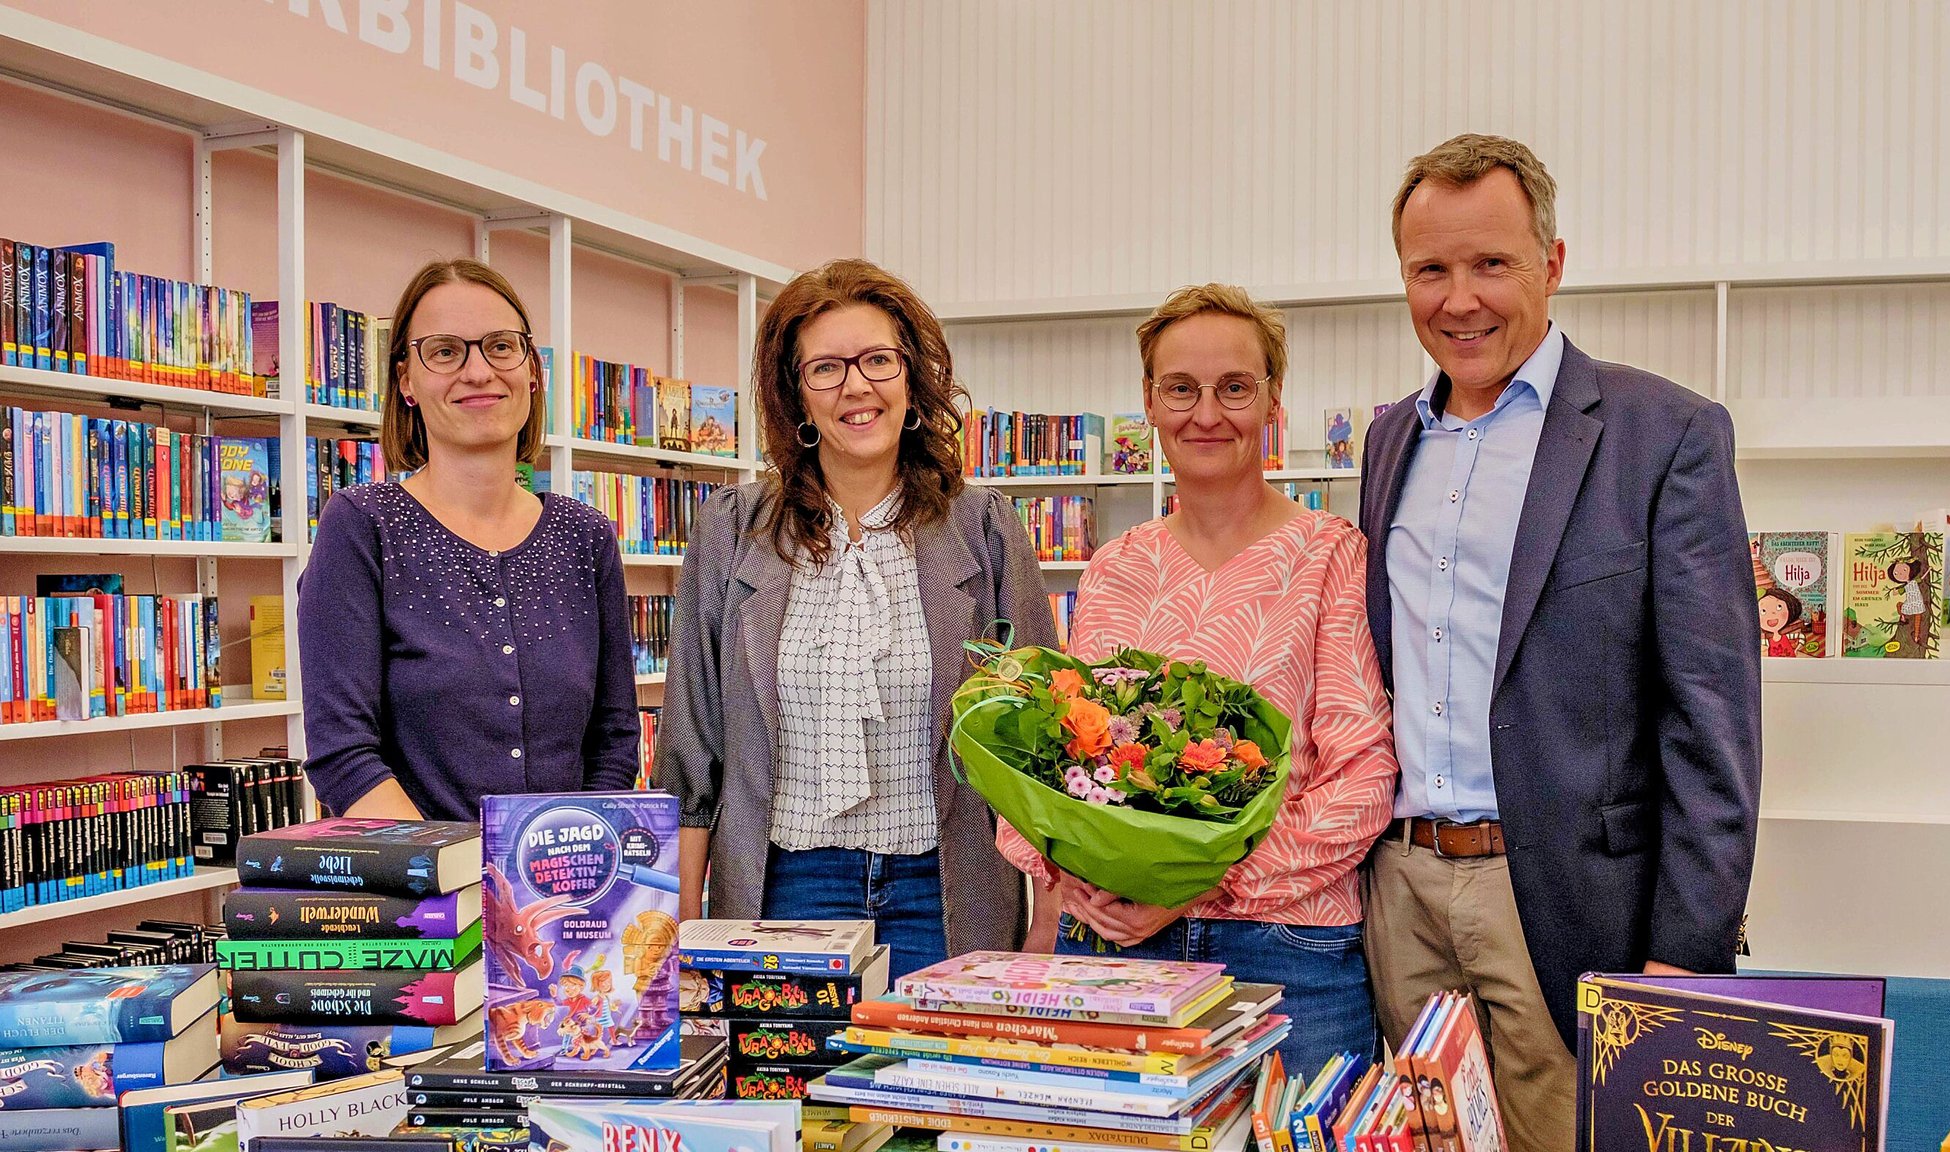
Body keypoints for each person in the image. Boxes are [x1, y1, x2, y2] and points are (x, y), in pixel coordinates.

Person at [1359, 134, 1761, 1149]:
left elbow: (1710, 716)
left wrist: (1686, 950)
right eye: (1429, 270)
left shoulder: (1661, 432)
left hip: (1567, 904)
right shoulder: (1386, 438)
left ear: (1552, 262)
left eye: (1490, 263)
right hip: (1400, 893)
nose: (1459, 300)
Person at [999, 284, 1398, 1071]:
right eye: (1181, 388)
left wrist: (1192, 886)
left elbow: (1362, 780)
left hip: (1288, 950)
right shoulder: (1115, 566)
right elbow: (1060, 760)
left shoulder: (1330, 554)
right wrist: (1065, 871)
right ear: (1149, 402)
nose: (1206, 413)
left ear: (1273, 401)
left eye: (1234, 388)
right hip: (1111, 942)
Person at [655, 258, 1058, 978]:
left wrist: (1049, 935)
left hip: (945, 893)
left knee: (931, 1089)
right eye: (826, 369)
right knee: (789, 1092)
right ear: (796, 396)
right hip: (782, 893)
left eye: (878, 360)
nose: (856, 387)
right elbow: (692, 751)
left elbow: (1044, 748)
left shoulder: (988, 530)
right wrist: (682, 940)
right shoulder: (732, 529)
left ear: (912, 378)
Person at [299, 259, 639, 821]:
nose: (479, 372)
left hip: (567, 892)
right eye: (445, 351)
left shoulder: (586, 538)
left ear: (532, 370)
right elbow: (343, 754)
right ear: (405, 379)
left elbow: (614, 740)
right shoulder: (362, 527)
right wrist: (464, 879)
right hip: (423, 897)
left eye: (501, 347)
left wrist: (574, 870)